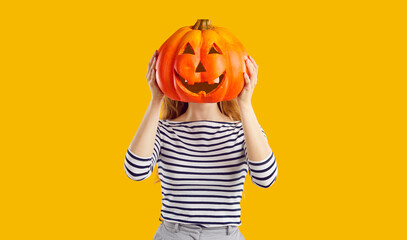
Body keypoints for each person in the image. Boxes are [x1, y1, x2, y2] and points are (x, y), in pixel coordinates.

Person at [124, 50, 278, 240]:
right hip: (174, 235)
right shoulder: (162, 130)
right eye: (189, 53)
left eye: (213, 54)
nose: (200, 69)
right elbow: (135, 171)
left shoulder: (243, 130)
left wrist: (245, 104)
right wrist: (156, 99)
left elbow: (265, 178)